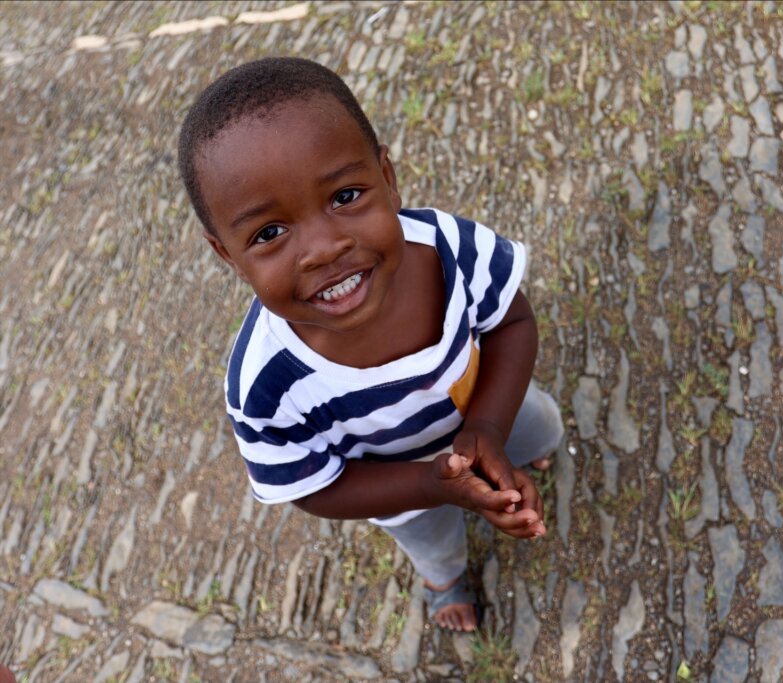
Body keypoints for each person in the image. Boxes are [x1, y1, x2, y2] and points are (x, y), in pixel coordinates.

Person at [177, 57, 564, 632]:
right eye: (269, 233)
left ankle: (524, 452)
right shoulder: (264, 387)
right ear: (227, 255)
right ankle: (446, 583)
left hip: (496, 402)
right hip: (402, 487)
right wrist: (429, 483)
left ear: (388, 176)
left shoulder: (450, 247)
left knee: (541, 428)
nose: (323, 248)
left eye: (345, 195)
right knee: (432, 540)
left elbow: (512, 324)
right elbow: (314, 487)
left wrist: (487, 429)